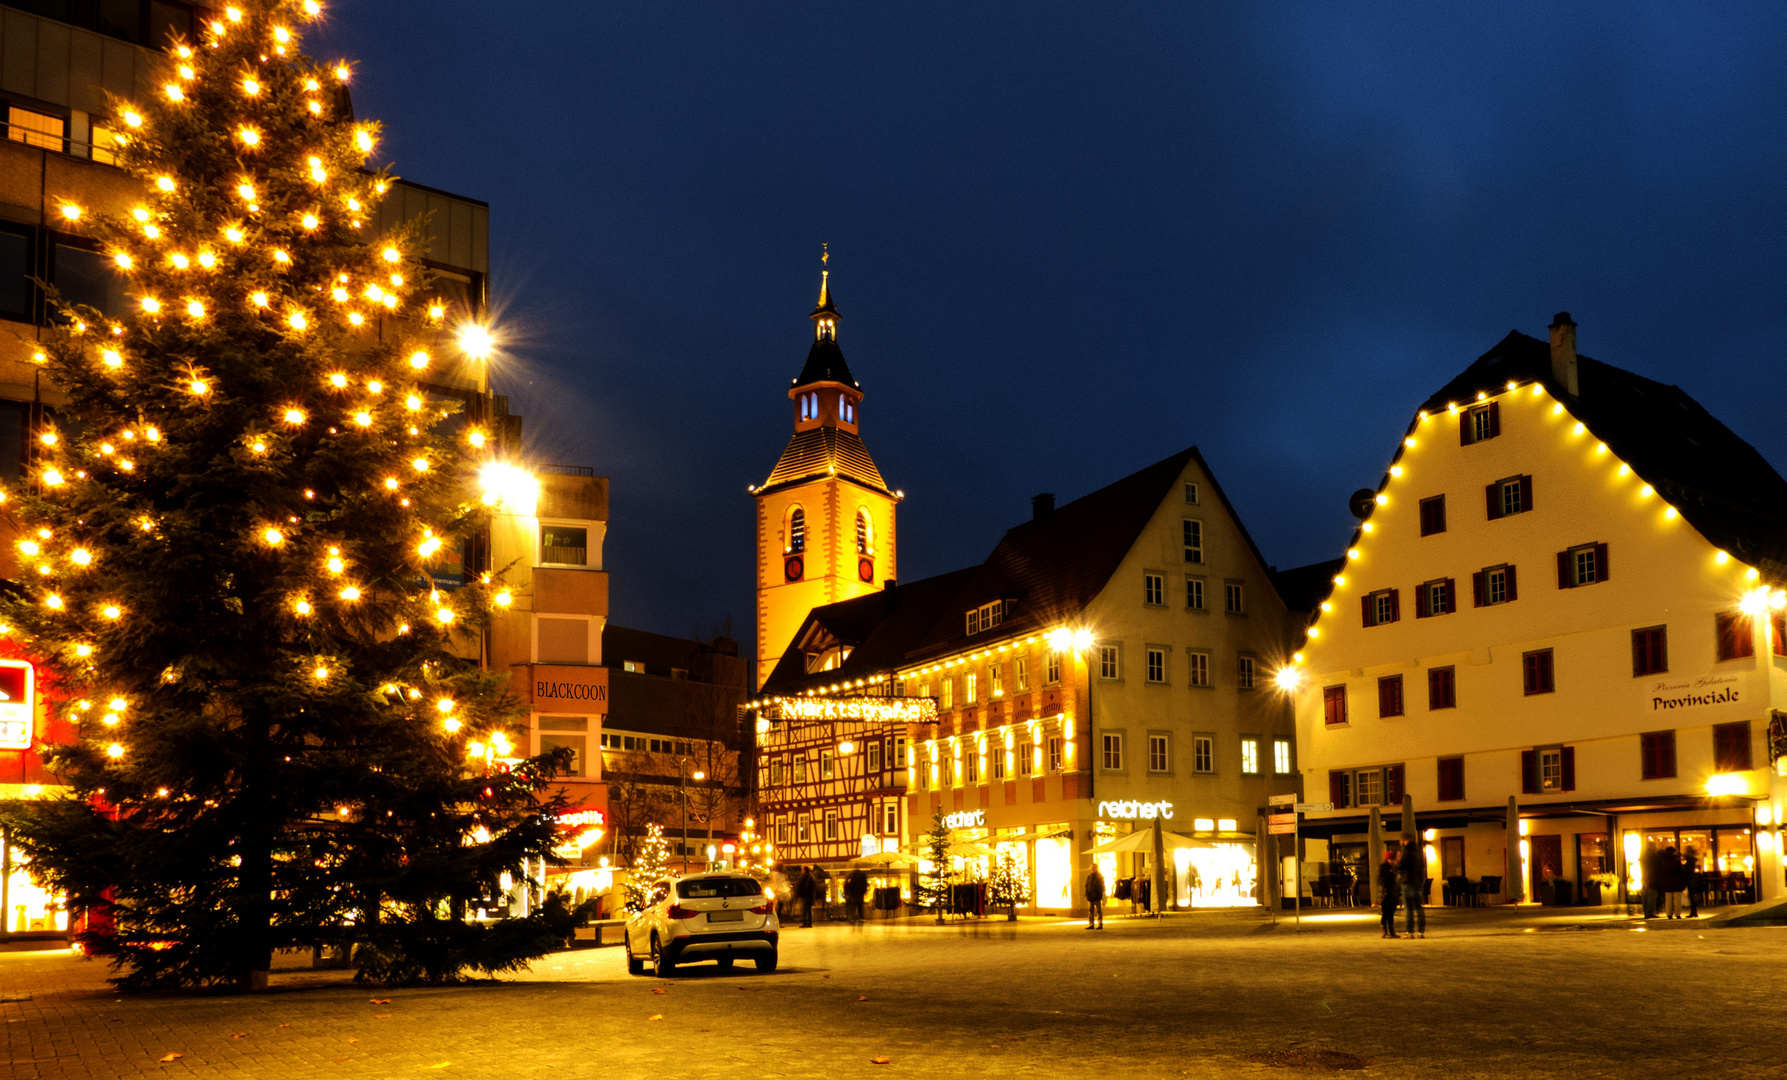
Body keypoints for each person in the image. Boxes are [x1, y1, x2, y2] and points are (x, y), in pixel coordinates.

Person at [1398, 837, 1426, 939]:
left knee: (1408, 907)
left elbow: (1402, 865)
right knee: (1419, 906)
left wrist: (1398, 860)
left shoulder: (1406, 851)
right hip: (1418, 882)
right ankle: (1421, 931)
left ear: (1405, 840)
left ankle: (1409, 932)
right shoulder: (1419, 852)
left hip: (1407, 881)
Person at [1376, 848, 1401, 940]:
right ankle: (1384, 931)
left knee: (1391, 913)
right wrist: (1389, 873)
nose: (1393, 861)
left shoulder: (1394, 868)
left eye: (1393, 859)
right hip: (1385, 893)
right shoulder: (1383, 867)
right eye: (1391, 859)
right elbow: (1381, 881)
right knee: (1385, 913)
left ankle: (1392, 931)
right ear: (1387, 859)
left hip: (1393, 893)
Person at [1662, 846, 1685, 920]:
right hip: (1676, 881)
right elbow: (1682, 872)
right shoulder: (1676, 861)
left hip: (1666, 882)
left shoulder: (1663, 861)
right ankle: (1677, 914)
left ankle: (1669, 914)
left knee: (1668, 899)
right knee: (1677, 899)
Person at [1641, 846, 1661, 920]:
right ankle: (1649, 912)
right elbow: (1655, 870)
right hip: (1652, 880)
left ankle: (1646, 912)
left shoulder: (1644, 858)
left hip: (1645, 879)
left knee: (1646, 897)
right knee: (1652, 897)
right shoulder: (1654, 859)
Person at [1683, 845, 1702, 918]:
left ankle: (1693, 911)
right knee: (1692, 895)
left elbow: (1687, 868)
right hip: (1693, 879)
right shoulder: (1692, 859)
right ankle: (1694, 911)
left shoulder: (1689, 859)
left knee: (1691, 895)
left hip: (1690, 879)